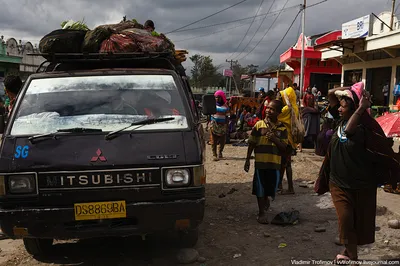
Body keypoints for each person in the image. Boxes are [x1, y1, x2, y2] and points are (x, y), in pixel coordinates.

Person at [318, 82, 400, 262]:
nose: (339, 108)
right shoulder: (340, 120)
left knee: (359, 224)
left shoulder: (365, 129)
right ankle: (354, 260)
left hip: (362, 185)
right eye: (339, 105)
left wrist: (361, 107)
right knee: (346, 220)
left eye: (343, 105)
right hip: (338, 183)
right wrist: (348, 88)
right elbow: (331, 95)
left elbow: (350, 131)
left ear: (355, 108)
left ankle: (348, 252)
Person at [244, 100, 288, 224]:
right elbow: (252, 143)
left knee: (271, 187)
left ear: (279, 113)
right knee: (260, 188)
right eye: (268, 108)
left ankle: (266, 199)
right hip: (260, 163)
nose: (269, 110)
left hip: (274, 164)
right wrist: (247, 160)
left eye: (272, 109)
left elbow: (284, 147)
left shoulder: (282, 128)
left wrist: (274, 139)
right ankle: (261, 212)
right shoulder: (258, 125)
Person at [276, 85, 299, 194]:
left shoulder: (286, 109)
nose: (279, 97)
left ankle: (281, 186)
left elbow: (276, 117)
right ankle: (288, 187)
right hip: (292, 141)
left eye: (281, 96)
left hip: (285, 140)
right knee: (287, 164)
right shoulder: (295, 107)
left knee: (282, 164)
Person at [210, 90, 229, 161]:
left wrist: (227, 125)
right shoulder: (212, 105)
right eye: (216, 97)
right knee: (213, 140)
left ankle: (220, 152)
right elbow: (209, 114)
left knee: (222, 140)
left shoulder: (225, 106)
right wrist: (208, 123)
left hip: (222, 126)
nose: (217, 99)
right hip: (214, 125)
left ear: (221, 97)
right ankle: (214, 154)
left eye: (218, 97)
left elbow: (227, 116)